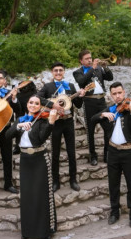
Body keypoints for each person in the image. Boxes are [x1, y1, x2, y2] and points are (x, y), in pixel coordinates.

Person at [5, 95, 58, 239]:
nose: (33, 105)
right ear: (27, 104)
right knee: (27, 196)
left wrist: (51, 123)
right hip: (25, 160)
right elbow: (7, 136)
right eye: (30, 102)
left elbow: (41, 139)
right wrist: (18, 126)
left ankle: (46, 231)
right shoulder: (20, 119)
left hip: (39, 158)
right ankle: (27, 230)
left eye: (36, 103)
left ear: (40, 106)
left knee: (42, 195)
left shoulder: (42, 120)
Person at [91, 81, 131, 228]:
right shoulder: (110, 110)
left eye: (120, 93)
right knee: (113, 184)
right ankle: (114, 212)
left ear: (124, 92)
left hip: (129, 152)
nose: (118, 96)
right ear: (111, 96)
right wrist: (102, 114)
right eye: (114, 94)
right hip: (112, 152)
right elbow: (93, 120)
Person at [37, 62, 86, 192]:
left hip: (69, 121)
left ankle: (73, 180)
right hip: (56, 122)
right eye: (56, 70)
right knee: (56, 153)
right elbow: (37, 98)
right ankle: (55, 181)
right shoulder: (48, 86)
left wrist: (80, 96)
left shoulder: (70, 86)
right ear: (52, 73)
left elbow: (79, 105)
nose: (58, 72)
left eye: (60, 70)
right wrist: (52, 105)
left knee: (71, 152)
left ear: (64, 72)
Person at [73, 50, 114, 166]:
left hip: (101, 101)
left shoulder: (99, 69)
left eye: (90, 58)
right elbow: (81, 82)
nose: (90, 60)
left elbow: (110, 78)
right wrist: (93, 68)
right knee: (90, 131)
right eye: (86, 58)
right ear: (81, 61)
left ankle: (106, 155)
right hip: (89, 101)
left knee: (108, 127)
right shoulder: (77, 72)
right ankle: (93, 156)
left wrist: (105, 68)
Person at [13, 80, 37, 155]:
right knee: (23, 126)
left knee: (29, 127)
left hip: (26, 108)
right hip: (22, 108)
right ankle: (18, 146)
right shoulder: (33, 90)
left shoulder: (31, 91)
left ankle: (18, 146)